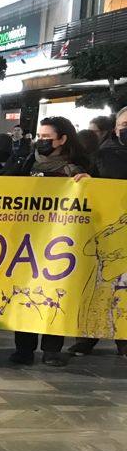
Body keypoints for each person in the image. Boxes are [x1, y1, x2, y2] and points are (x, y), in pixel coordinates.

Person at [0, 116, 91, 367]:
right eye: (40, 136)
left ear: (63, 139)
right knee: (25, 293)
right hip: (29, 238)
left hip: (62, 240)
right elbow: (6, 181)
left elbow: (99, 197)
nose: (41, 141)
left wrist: (89, 184)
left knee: (56, 292)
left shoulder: (78, 165)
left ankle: (52, 349)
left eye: (47, 137)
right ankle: (23, 348)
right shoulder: (26, 160)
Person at [69, 106, 127, 357]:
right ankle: (89, 337)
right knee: (102, 289)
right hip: (109, 228)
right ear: (115, 127)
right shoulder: (104, 153)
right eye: (124, 124)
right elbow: (93, 181)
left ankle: (123, 340)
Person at [92, 106, 127, 180]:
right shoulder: (106, 155)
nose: (91, 134)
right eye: (125, 124)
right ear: (116, 130)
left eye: (94, 131)